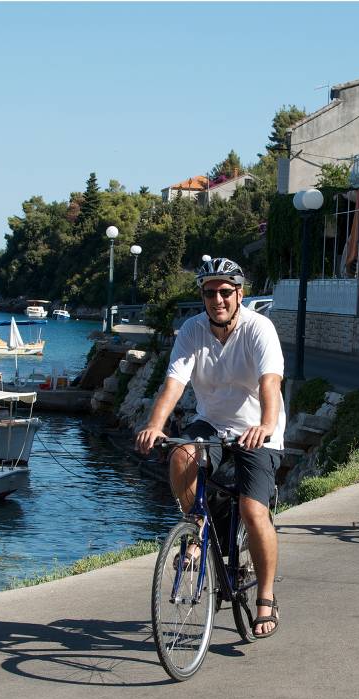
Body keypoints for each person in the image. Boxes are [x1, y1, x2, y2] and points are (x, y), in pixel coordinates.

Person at [135, 257, 285, 638]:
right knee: (181, 453)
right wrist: (155, 425)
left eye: (225, 292)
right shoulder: (192, 330)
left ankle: (266, 597)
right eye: (209, 293)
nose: (217, 299)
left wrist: (266, 424)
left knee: (253, 512)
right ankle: (198, 528)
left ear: (239, 294)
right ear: (201, 296)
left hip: (257, 428)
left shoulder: (259, 329)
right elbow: (174, 383)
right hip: (213, 425)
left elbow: (270, 383)